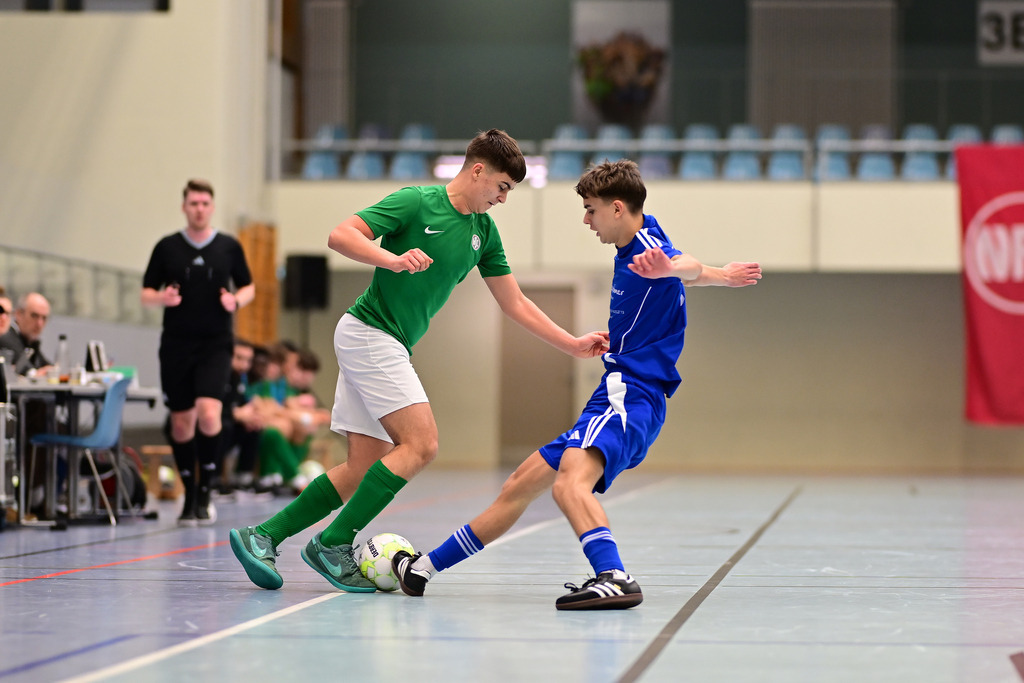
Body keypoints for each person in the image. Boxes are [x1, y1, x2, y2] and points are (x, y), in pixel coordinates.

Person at [229, 128, 608, 592]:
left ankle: (262, 535)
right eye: (503, 187)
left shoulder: (483, 232)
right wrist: (391, 259)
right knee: (422, 444)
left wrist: (572, 344)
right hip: (370, 332)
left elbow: (515, 303)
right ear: (477, 171)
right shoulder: (416, 201)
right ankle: (333, 543)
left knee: (362, 467)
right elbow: (340, 235)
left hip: (386, 341)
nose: (504, 199)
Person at [390, 159, 762, 610]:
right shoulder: (639, 241)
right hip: (616, 392)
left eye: (590, 210)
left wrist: (691, 272)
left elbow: (681, 265)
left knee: (570, 484)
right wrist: (712, 277)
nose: (586, 220)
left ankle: (614, 576)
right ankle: (420, 572)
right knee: (520, 485)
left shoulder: (648, 248)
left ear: (618, 208)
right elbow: (683, 269)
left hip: (632, 393)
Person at [142, 178, 255, 527]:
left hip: (215, 344)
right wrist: (162, 299)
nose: (199, 209)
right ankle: (189, 494)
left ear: (212, 207)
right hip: (176, 345)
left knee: (209, 414)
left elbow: (249, 286)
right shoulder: (167, 248)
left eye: (205, 203)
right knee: (180, 423)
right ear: (184, 206)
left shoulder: (228, 247)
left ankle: (206, 489)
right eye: (193, 203)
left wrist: (235, 300)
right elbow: (146, 291)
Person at [0, 292, 53, 377]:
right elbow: (30, 372)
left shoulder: (30, 342)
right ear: (18, 314)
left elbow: (46, 367)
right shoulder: (7, 336)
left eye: (44, 318)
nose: (39, 323)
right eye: (34, 316)